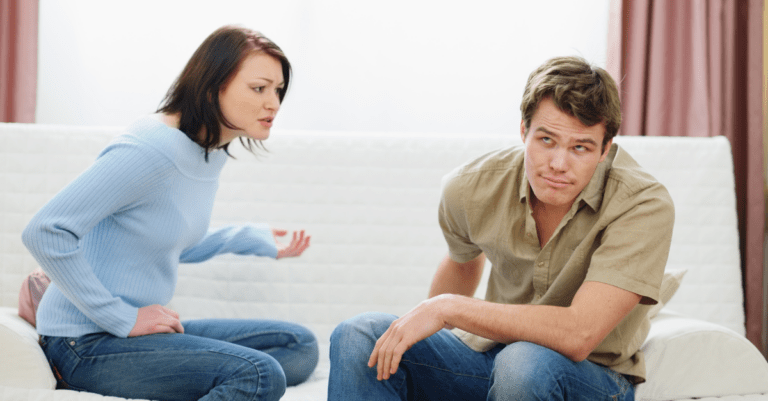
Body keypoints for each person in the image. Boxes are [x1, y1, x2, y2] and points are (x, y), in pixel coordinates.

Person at [328, 56, 674, 401]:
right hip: (494, 359)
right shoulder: (470, 187)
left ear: (604, 150)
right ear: (524, 131)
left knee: (522, 362)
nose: (558, 164)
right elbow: (462, 264)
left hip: (590, 377)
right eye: (546, 140)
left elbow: (579, 335)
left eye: (580, 148)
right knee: (359, 336)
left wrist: (448, 307)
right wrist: (421, 325)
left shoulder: (642, 204)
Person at [22, 25, 318, 401]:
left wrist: (252, 239)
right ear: (213, 87)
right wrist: (122, 318)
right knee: (260, 374)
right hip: (83, 343)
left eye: (278, 90)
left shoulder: (208, 153)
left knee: (299, 345)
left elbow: (164, 239)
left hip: (132, 330)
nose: (273, 103)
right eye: (259, 88)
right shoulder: (148, 149)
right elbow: (46, 230)